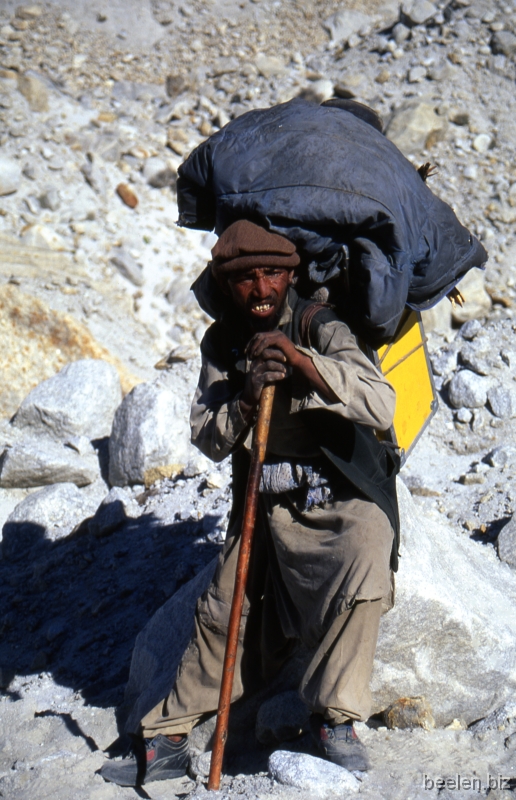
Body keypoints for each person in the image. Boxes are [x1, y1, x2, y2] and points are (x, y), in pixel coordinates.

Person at [100, 219, 399, 787]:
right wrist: (247, 396)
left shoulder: (319, 323)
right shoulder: (222, 342)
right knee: (222, 612)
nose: (260, 289)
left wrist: (302, 362)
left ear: (290, 275)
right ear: (226, 284)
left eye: (271, 274)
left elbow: (380, 404)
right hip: (266, 503)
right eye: (245, 279)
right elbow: (208, 438)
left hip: (339, 496)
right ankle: (167, 737)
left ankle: (333, 719)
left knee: (365, 556)